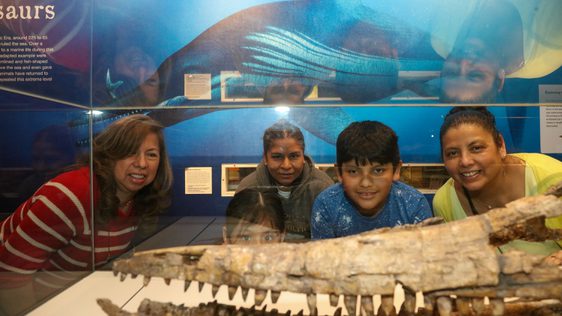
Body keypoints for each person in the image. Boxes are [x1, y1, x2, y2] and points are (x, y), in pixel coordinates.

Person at [0, 114, 173, 291]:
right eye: (129, 152)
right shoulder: (71, 194)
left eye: (151, 154)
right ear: (109, 155)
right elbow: (9, 279)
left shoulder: (136, 199)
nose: (142, 163)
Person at [433, 107, 562, 259]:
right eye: (452, 153)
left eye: (476, 148)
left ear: (500, 145)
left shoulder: (553, 178)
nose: (465, 161)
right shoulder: (444, 202)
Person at [311, 121, 432, 239]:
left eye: (378, 171)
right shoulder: (326, 205)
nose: (365, 183)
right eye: (353, 171)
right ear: (339, 173)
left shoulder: (414, 205)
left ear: (396, 171)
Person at [236, 120, 333, 241]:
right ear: (265, 158)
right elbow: (237, 238)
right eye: (277, 157)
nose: (286, 165)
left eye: (294, 156)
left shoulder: (321, 188)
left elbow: (331, 242)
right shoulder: (249, 188)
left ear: (303, 156)